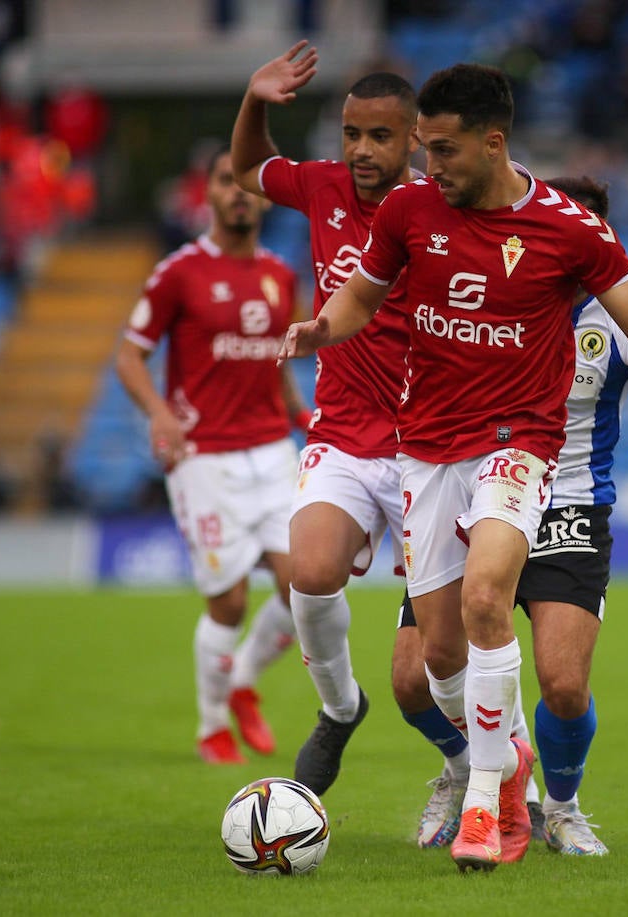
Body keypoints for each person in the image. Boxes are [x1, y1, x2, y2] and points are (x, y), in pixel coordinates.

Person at [279, 63, 628, 873]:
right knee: (438, 658)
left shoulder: (572, 228)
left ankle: (486, 806)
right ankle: (506, 763)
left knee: (485, 596)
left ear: (493, 142)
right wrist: (322, 330)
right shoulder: (408, 210)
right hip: (426, 447)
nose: (429, 165)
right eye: (424, 148)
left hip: (519, 440)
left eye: (444, 150)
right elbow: (362, 295)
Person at [392, 175, 628, 855]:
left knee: (564, 686)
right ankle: (471, 770)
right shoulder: (487, 288)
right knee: (411, 677)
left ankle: (560, 807)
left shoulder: (625, 320)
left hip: (568, 502)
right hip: (477, 486)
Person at [229, 42, 420, 796]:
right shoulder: (322, 188)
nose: (362, 149)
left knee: (447, 653)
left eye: (380, 135)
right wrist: (253, 100)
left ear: (414, 140)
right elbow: (247, 168)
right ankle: (340, 708)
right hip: (341, 430)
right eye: (351, 133)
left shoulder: (441, 208)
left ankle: (509, 785)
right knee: (309, 575)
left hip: (430, 445)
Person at [115, 150, 309, 764]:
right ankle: (210, 726)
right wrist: (161, 413)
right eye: (227, 182)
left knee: (306, 587)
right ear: (209, 193)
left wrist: (305, 420)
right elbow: (129, 355)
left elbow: (276, 366)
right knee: (227, 603)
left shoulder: (281, 275)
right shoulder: (180, 272)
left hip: (272, 449)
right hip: (205, 459)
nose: (240, 194)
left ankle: (243, 680)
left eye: (248, 184)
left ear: (264, 196)